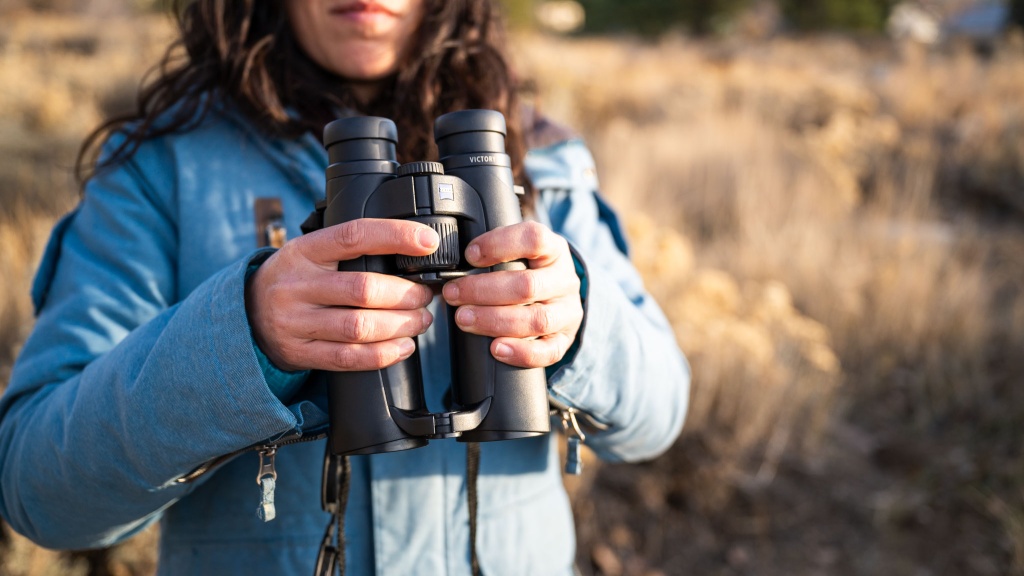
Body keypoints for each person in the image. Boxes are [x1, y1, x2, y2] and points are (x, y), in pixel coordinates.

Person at [0, 1, 690, 574]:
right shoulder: (164, 173)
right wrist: (243, 339)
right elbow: (38, 489)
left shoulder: (539, 157)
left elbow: (659, 415)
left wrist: (579, 327)